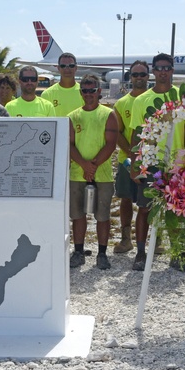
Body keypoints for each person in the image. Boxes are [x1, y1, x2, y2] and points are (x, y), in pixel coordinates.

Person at [127, 54, 185, 270]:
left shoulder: (182, 97)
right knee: (144, 208)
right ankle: (140, 252)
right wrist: (135, 165)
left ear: (172, 70)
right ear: (153, 72)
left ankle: (177, 253)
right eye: (159, 68)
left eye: (167, 68)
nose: (163, 71)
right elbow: (135, 135)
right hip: (152, 162)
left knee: (176, 209)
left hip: (177, 162)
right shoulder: (141, 101)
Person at [67, 74, 118, 271]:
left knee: (102, 215)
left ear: (99, 91)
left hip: (103, 174)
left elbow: (111, 144)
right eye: (85, 90)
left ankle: (102, 253)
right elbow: (70, 144)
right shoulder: (72, 116)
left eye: (92, 90)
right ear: (81, 92)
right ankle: (78, 251)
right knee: (77, 215)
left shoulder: (108, 114)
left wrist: (93, 166)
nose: (89, 94)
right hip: (76, 174)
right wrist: (84, 165)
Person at [110, 60, 149, 253]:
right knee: (125, 199)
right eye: (135, 75)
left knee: (149, 201)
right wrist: (132, 155)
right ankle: (126, 239)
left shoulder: (155, 100)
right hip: (127, 160)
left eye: (142, 74)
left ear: (148, 76)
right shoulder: (121, 103)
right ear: (130, 77)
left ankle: (154, 241)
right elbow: (118, 132)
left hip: (152, 161)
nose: (139, 78)